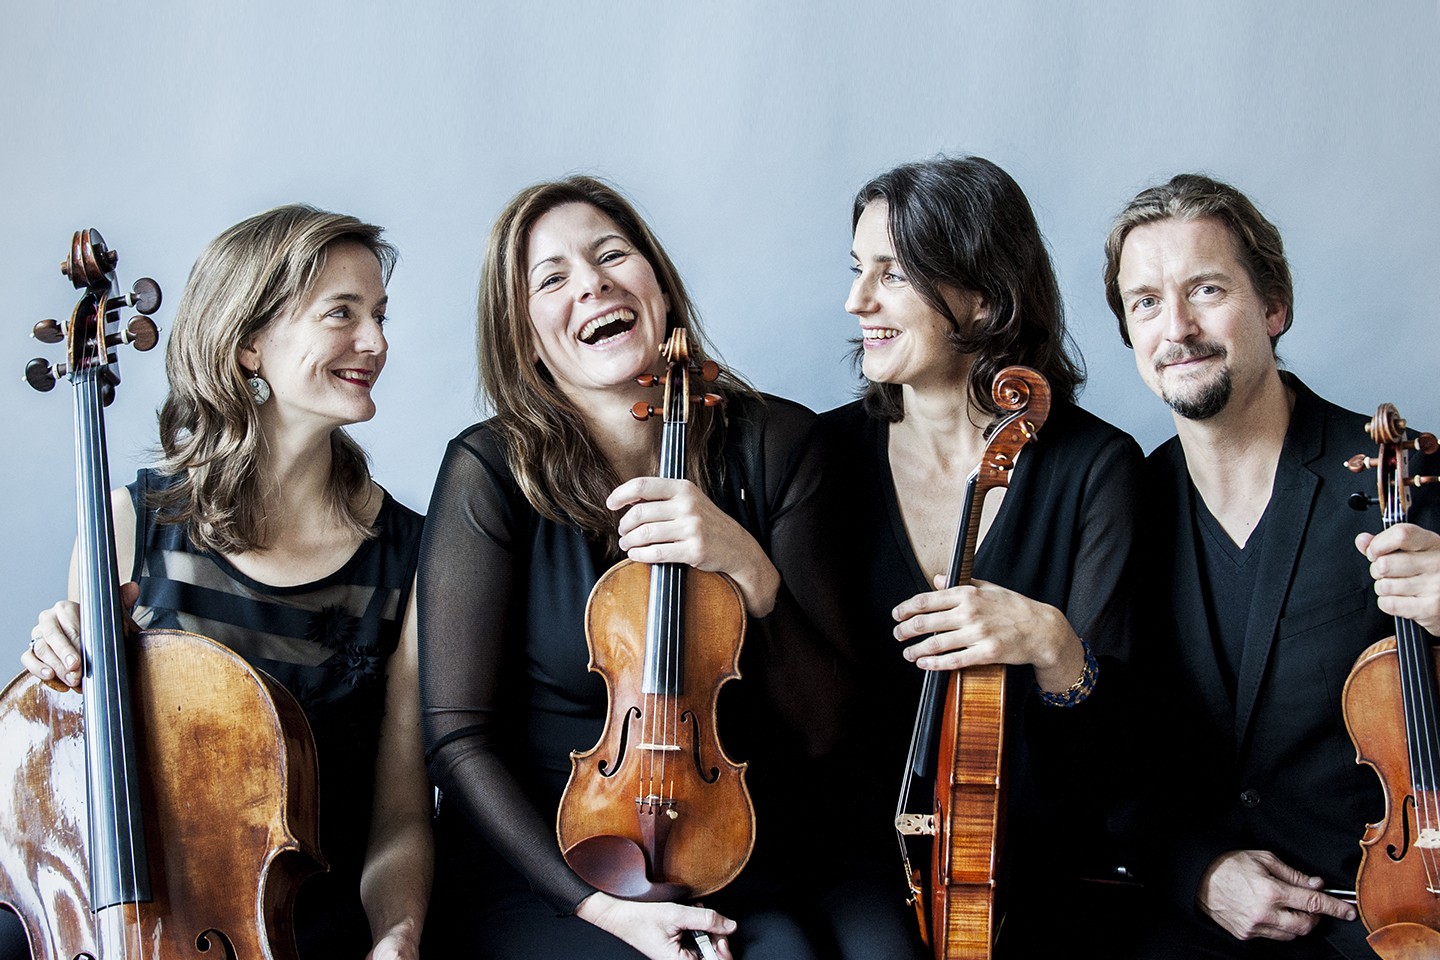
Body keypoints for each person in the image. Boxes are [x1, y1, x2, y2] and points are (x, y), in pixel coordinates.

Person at [417, 176, 842, 960]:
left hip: (729, 852)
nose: (593, 284)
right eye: (552, 278)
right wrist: (601, 909)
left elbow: (825, 731)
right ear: (525, 335)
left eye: (612, 254)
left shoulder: (777, 445)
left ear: (658, 285)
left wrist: (750, 571)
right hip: (547, 870)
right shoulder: (489, 470)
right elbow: (457, 737)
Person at [21, 205, 432, 960]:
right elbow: (68, 802)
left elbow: (400, 815)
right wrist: (55, 676)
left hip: (303, 923)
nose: (376, 342)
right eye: (341, 313)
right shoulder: (128, 523)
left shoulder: (409, 556)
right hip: (134, 911)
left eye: (378, 314)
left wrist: (397, 937)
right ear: (248, 343)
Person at [812, 156, 1143, 958]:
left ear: (984, 297)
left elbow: (1118, 763)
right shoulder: (820, 457)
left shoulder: (1094, 467)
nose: (859, 301)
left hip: (1032, 859)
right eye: (859, 270)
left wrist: (1053, 645)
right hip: (851, 860)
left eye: (893, 274)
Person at [1106, 173, 1440, 959]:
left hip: (1388, 920)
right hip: (1199, 924)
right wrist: (1196, 870)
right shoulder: (1122, 506)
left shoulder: (1404, 478)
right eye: (1146, 302)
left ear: (1274, 306)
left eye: (1207, 289)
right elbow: (1103, 747)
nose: (1177, 327)